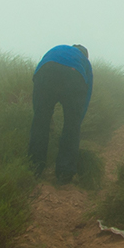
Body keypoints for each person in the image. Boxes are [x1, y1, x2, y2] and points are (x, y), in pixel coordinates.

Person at [28, 44, 93, 184]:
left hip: (46, 71)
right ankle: (65, 173)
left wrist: (39, 113)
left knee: (40, 123)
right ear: (85, 55)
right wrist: (76, 122)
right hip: (74, 75)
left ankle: (35, 168)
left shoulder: (58, 49)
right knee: (71, 127)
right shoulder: (84, 61)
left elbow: (37, 74)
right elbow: (87, 94)